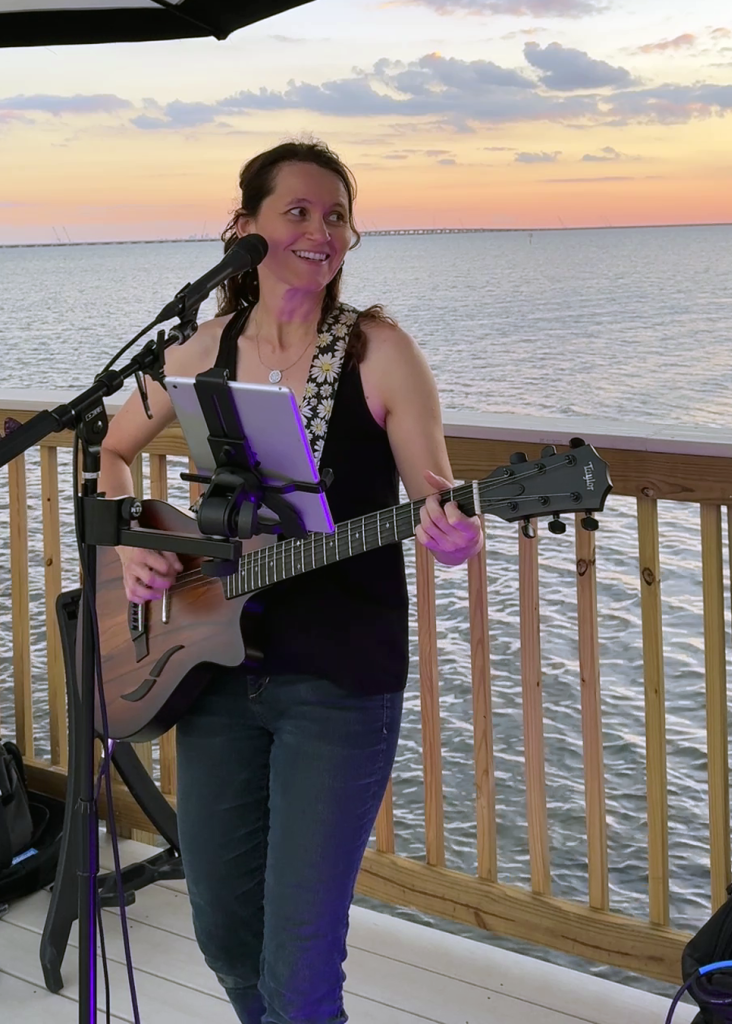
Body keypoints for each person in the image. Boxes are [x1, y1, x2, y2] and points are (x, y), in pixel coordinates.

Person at [98, 139, 484, 1024]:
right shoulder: (202, 351)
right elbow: (113, 453)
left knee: (300, 965)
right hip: (214, 672)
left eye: (336, 215)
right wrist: (128, 547)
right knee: (225, 932)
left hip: (338, 681)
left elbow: (438, 506)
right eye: (297, 212)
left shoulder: (377, 351)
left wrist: (454, 535)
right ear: (243, 229)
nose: (320, 231)